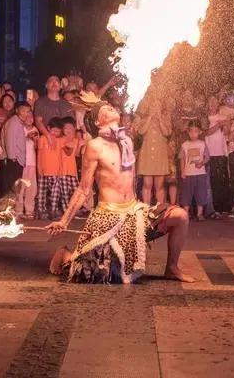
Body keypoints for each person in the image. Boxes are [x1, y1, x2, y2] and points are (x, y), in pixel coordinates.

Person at [46, 95, 194, 284]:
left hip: (134, 213)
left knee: (180, 216)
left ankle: (172, 268)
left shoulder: (126, 141)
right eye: (105, 109)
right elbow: (84, 189)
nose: (111, 108)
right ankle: (66, 255)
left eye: (110, 106)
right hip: (107, 217)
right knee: (93, 273)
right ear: (98, 121)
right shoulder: (94, 146)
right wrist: (64, 221)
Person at [204, 94, 232, 217]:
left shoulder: (223, 117)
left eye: (215, 101)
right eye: (210, 101)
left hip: (221, 152)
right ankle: (212, 208)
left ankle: (223, 207)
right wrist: (218, 125)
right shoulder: (205, 118)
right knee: (211, 182)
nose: (213, 104)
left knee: (222, 181)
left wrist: (225, 124)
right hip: (208, 154)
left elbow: (227, 132)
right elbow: (206, 132)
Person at [178, 120, 211, 221]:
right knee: (186, 194)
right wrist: (183, 171)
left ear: (200, 132)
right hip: (188, 174)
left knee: (200, 193)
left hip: (200, 173)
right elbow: (182, 158)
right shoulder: (185, 145)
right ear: (188, 132)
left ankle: (199, 213)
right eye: (191, 131)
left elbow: (207, 157)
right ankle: (186, 214)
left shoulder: (202, 144)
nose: (193, 134)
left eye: (196, 131)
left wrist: (202, 163)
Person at [1, 103, 30, 208]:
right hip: (13, 160)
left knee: (14, 187)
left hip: (16, 160)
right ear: (17, 110)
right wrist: (12, 158)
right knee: (11, 187)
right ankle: (6, 211)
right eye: (23, 111)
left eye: (28, 111)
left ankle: (9, 211)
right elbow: (10, 140)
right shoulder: (13, 122)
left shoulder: (18, 122)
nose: (26, 113)